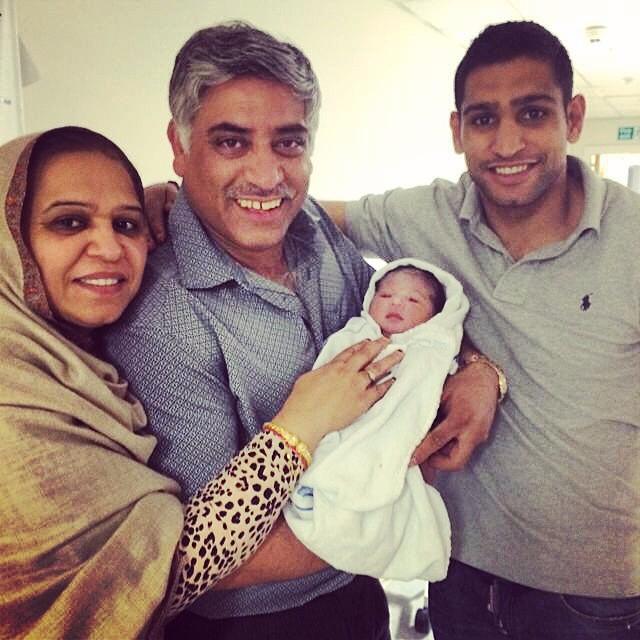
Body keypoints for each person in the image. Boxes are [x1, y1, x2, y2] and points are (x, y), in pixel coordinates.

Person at [0, 126, 400, 639]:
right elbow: (169, 568)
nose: (107, 246)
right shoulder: (17, 404)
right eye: (69, 222)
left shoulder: (69, 357)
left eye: (126, 223)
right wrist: (301, 426)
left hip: (353, 595)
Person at [324, 20, 640, 640]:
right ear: (457, 130)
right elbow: (312, 214)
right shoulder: (428, 214)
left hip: (592, 589)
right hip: (455, 564)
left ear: (572, 118)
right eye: (484, 119)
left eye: (533, 113)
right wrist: (176, 198)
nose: (508, 142)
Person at [102, 22, 407, 639]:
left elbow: (400, 319)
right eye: (232, 143)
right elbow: (198, 558)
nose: (268, 177)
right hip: (258, 622)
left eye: (289, 144)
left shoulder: (314, 227)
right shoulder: (162, 311)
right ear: (179, 148)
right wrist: (394, 513)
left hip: (360, 594)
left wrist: (482, 371)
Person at [285, 258, 469, 582]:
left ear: (435, 316)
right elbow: (322, 378)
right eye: (385, 296)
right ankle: (322, 493)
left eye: (413, 300)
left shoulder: (432, 349)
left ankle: (360, 522)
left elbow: (430, 389)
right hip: (343, 426)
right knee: (332, 457)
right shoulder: (353, 336)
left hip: (391, 441)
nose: (396, 303)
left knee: (387, 484)